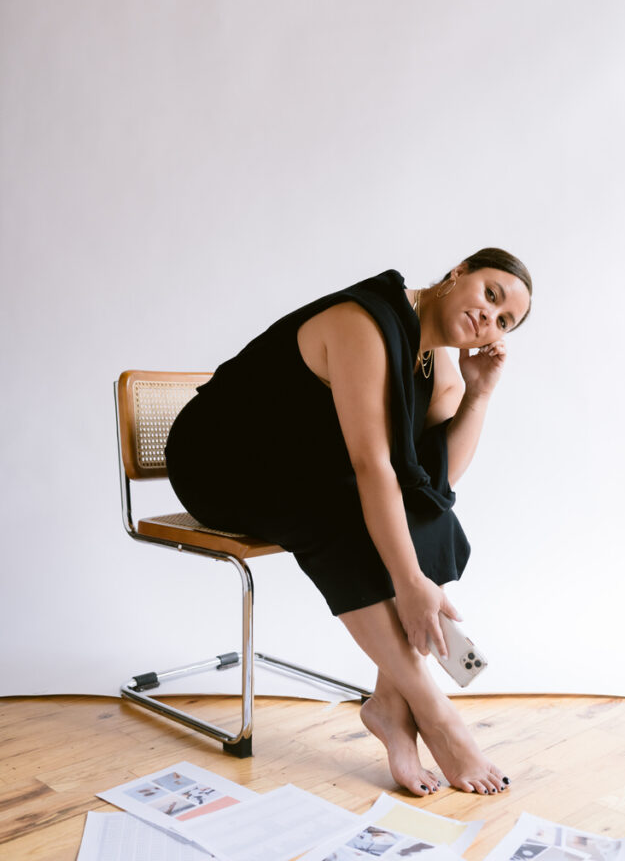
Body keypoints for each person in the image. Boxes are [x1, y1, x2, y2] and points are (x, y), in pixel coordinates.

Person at [165, 247, 532, 797]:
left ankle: (389, 706)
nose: (489, 317)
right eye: (490, 294)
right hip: (223, 461)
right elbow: (370, 464)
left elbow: (434, 487)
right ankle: (437, 716)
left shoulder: (437, 370)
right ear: (458, 274)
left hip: (294, 469)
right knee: (338, 518)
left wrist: (478, 392)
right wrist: (409, 584)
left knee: (429, 519)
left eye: (503, 321)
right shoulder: (365, 321)